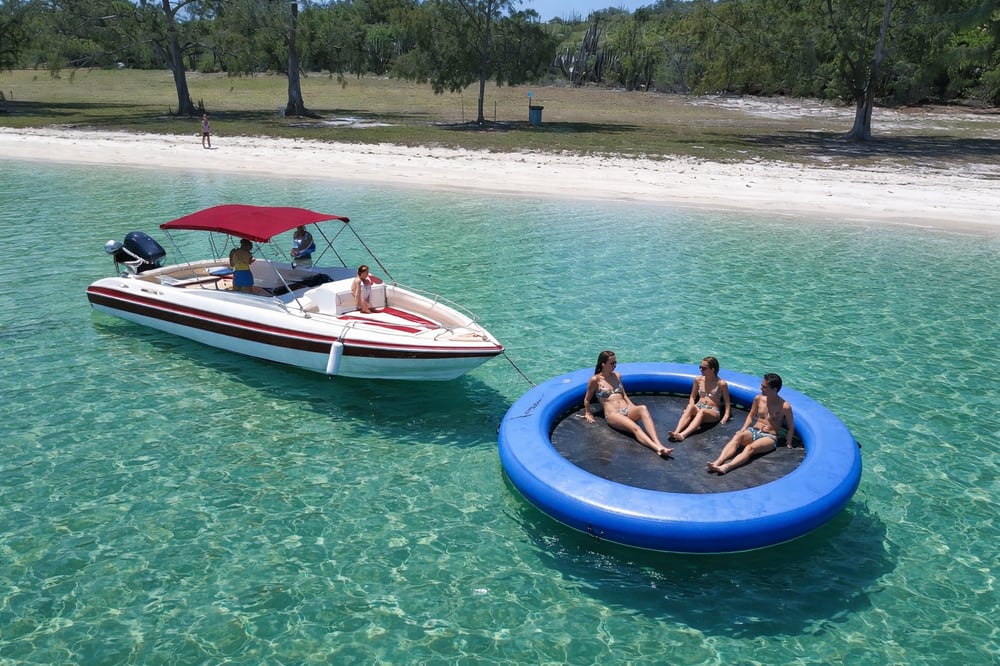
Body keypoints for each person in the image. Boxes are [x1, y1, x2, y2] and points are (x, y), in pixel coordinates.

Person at [582, 350, 673, 459]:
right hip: (613, 414)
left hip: (627, 409)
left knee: (643, 408)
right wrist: (588, 413)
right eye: (612, 363)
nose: (614, 366)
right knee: (635, 428)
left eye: (616, 363)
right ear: (603, 364)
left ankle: (658, 442)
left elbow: (624, 395)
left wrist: (632, 406)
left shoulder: (617, 376)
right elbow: (587, 399)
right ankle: (657, 449)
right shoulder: (595, 380)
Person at [707, 373, 794, 475]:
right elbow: (751, 416)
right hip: (754, 430)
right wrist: (744, 429)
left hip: (769, 437)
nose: (760, 388)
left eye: (764, 387)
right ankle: (718, 461)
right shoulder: (759, 399)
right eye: (762, 385)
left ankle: (727, 466)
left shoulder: (784, 406)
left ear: (774, 389)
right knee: (737, 436)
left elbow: (791, 427)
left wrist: (789, 442)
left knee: (750, 448)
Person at [668, 356, 731, 441]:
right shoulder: (698, 380)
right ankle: (676, 432)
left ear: (712, 369)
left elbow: (727, 402)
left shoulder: (721, 384)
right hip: (699, 406)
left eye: (704, 368)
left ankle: (683, 435)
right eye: (700, 367)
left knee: (702, 411)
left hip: (712, 411)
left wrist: (726, 416)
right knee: (690, 407)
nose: (701, 370)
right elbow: (692, 397)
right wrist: (690, 407)